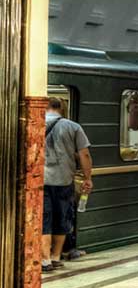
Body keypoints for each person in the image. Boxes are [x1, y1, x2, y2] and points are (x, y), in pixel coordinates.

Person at [43, 96, 92, 272]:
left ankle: (45, 260)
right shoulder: (73, 127)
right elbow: (84, 154)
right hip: (64, 180)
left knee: (44, 220)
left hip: (40, 181)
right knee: (62, 218)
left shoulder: (34, 124)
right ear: (61, 108)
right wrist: (87, 178)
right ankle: (56, 257)